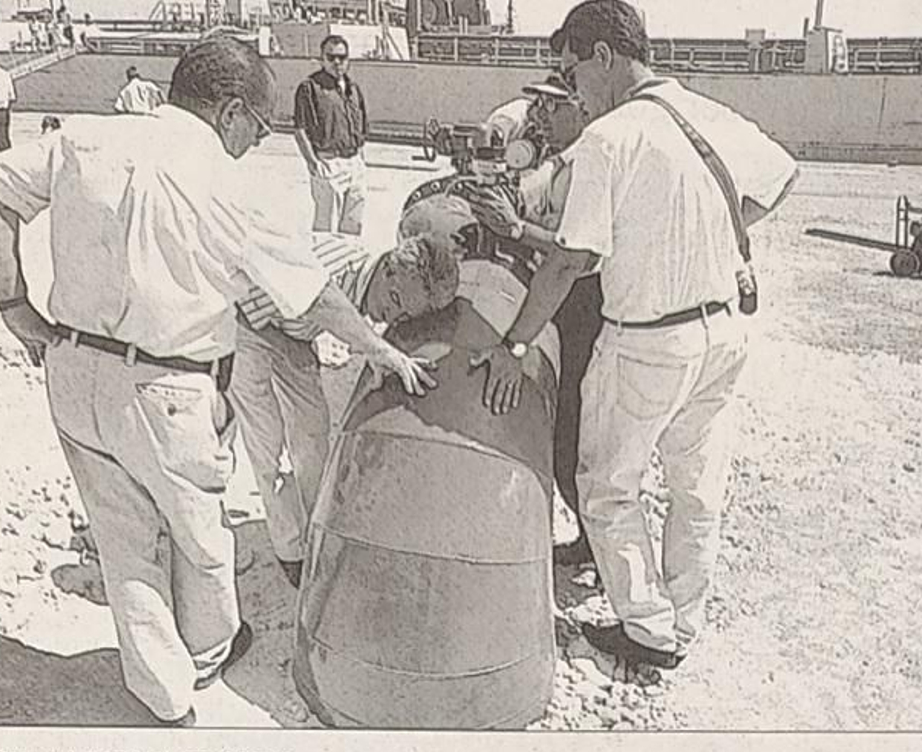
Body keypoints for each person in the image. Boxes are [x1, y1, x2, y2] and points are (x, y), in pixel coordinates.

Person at [0, 36, 437, 727]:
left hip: (70, 371)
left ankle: (162, 696)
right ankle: (209, 655)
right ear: (232, 110)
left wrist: (15, 309)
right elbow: (313, 296)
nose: (260, 137)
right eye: (260, 124)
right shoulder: (228, 181)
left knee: (125, 544)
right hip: (167, 388)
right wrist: (381, 351)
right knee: (199, 536)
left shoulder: (84, 138)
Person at [489, 0, 797, 670]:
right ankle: (684, 621)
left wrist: (514, 344)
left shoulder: (609, 137)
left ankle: (649, 630)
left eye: (571, 75)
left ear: (603, 56)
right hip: (720, 335)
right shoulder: (702, 111)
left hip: (650, 340)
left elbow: (572, 260)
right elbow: (781, 173)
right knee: (695, 488)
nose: (570, 90)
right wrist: (718, 234)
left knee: (605, 485)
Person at [233, 232, 460, 588]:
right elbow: (241, 311)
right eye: (395, 299)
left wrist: (375, 357)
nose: (392, 314)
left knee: (313, 440)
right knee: (268, 449)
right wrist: (289, 347)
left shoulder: (384, 289)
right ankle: (290, 550)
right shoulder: (332, 266)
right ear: (386, 268)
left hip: (294, 337)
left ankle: (320, 533)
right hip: (245, 331)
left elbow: (357, 331)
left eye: (404, 312)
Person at [467, 72, 599, 566]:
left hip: (588, 306)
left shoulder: (591, 160)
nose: (539, 115)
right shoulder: (561, 158)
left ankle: (599, 549)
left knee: (574, 441)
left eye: (550, 106)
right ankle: (592, 541)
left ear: (578, 108)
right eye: (537, 106)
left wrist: (518, 229)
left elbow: (582, 258)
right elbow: (528, 189)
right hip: (566, 299)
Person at [293, 34, 368, 234]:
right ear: (322, 59)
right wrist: (313, 163)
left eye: (342, 57)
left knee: (353, 223)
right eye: (331, 57)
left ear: (348, 60)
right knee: (325, 227)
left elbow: (362, 125)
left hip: (353, 162)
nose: (337, 62)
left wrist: (360, 159)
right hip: (328, 163)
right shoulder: (309, 88)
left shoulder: (353, 89)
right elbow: (300, 129)